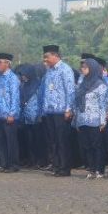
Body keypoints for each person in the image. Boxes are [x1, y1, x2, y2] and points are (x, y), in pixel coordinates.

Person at [41, 45, 76, 177]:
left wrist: (69, 108)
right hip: (50, 111)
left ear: (55, 56)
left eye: (47, 57)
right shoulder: (49, 71)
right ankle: (56, 166)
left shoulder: (65, 69)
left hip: (62, 111)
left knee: (62, 141)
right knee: (53, 141)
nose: (45, 60)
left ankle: (64, 168)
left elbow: (70, 90)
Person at [73, 58, 107, 179]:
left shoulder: (100, 85)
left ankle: (99, 169)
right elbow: (77, 103)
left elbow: (103, 104)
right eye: (82, 67)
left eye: (85, 67)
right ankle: (91, 169)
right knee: (86, 146)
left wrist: (103, 121)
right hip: (82, 119)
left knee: (96, 145)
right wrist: (76, 120)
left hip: (95, 120)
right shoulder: (82, 84)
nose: (82, 69)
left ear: (92, 68)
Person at [0, 53, 21, 173]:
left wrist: (12, 113)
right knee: (1, 141)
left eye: (0, 62)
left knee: (11, 141)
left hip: (9, 115)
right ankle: (3, 163)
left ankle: (13, 164)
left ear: (8, 63)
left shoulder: (12, 78)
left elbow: (15, 97)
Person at [16, 63, 46, 169]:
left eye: (24, 74)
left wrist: (40, 114)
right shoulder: (24, 86)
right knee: (28, 140)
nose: (23, 77)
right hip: (26, 118)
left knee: (37, 141)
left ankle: (39, 161)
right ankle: (31, 160)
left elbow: (41, 101)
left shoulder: (38, 85)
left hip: (36, 118)